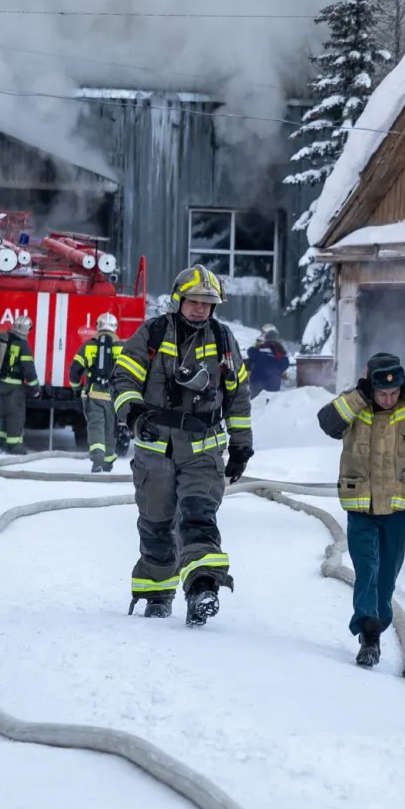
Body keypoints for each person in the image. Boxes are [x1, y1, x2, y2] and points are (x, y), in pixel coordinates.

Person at [112, 265, 252, 626]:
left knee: (198, 517)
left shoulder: (223, 340)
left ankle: (202, 590)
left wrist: (241, 447)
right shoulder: (153, 333)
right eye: (194, 301)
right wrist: (135, 415)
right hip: (155, 447)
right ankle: (157, 594)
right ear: (179, 300)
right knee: (156, 525)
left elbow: (238, 397)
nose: (200, 309)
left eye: (207, 303)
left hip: (203, 448)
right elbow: (123, 378)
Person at [317, 353, 405, 667]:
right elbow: (328, 423)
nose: (389, 399)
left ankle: (378, 622)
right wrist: (361, 395)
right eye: (382, 393)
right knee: (367, 569)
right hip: (361, 505)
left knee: (387, 576)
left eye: (394, 393)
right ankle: (369, 634)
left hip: (397, 506)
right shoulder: (353, 403)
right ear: (370, 386)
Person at [70, 313, 123, 472]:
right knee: (110, 428)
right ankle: (108, 460)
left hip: (94, 395)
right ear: (115, 327)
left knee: (96, 427)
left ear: (97, 325)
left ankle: (97, 460)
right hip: (114, 398)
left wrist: (76, 388)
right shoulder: (122, 347)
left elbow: (74, 371)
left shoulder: (87, 346)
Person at [0, 317, 39, 455]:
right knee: (15, 416)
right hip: (14, 387)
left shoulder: (2, 338)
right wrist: (35, 388)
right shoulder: (23, 345)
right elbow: (28, 369)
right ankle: (15, 446)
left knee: (0, 414)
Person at [245, 325, 290, 396]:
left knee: (256, 403)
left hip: (256, 383)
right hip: (273, 385)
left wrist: (257, 345)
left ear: (265, 339)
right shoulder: (281, 353)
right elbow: (285, 365)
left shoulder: (259, 349)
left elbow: (250, 352)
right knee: (270, 405)